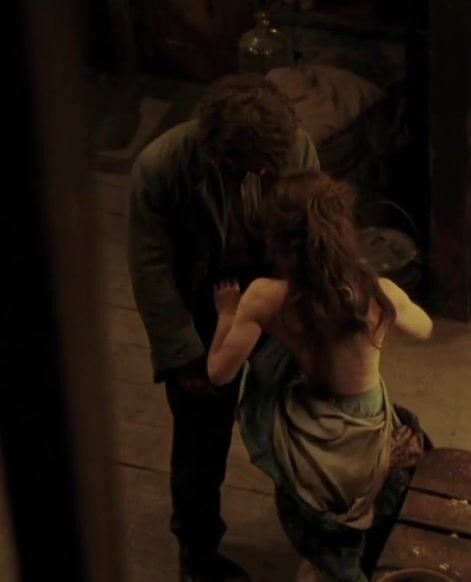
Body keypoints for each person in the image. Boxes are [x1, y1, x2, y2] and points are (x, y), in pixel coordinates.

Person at [128, 74, 319, 581]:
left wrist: (311, 317)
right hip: (207, 304)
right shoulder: (162, 167)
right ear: (220, 152)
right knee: (200, 441)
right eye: (256, 165)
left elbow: (311, 233)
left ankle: (317, 537)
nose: (269, 171)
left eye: (273, 161)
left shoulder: (293, 146)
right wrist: (183, 355)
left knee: (305, 420)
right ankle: (197, 552)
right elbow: (150, 267)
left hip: (273, 293)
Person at [206, 171, 433, 582]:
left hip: (307, 440)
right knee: (410, 431)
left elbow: (219, 374)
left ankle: (328, 556)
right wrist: (385, 313)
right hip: (366, 439)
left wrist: (226, 314)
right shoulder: (377, 292)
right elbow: (425, 328)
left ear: (277, 239)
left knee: (271, 366)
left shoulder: (264, 296)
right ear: (343, 228)